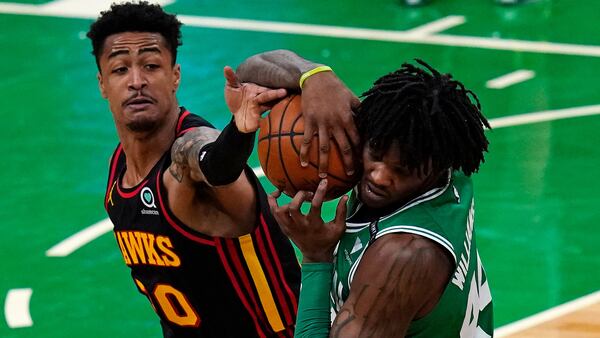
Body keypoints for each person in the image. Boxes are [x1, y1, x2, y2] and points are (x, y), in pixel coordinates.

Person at [87, 2, 358, 337]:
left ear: (175, 76)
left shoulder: (189, 149)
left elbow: (214, 165)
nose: (137, 81)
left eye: (151, 65)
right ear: (101, 84)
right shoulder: (121, 167)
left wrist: (243, 129)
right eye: (120, 70)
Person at [237, 53, 494, 337]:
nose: (379, 176)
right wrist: (313, 75)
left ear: (437, 168)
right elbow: (246, 73)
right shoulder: (439, 164)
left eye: (403, 170)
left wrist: (316, 256)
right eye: (376, 152)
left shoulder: (401, 257)